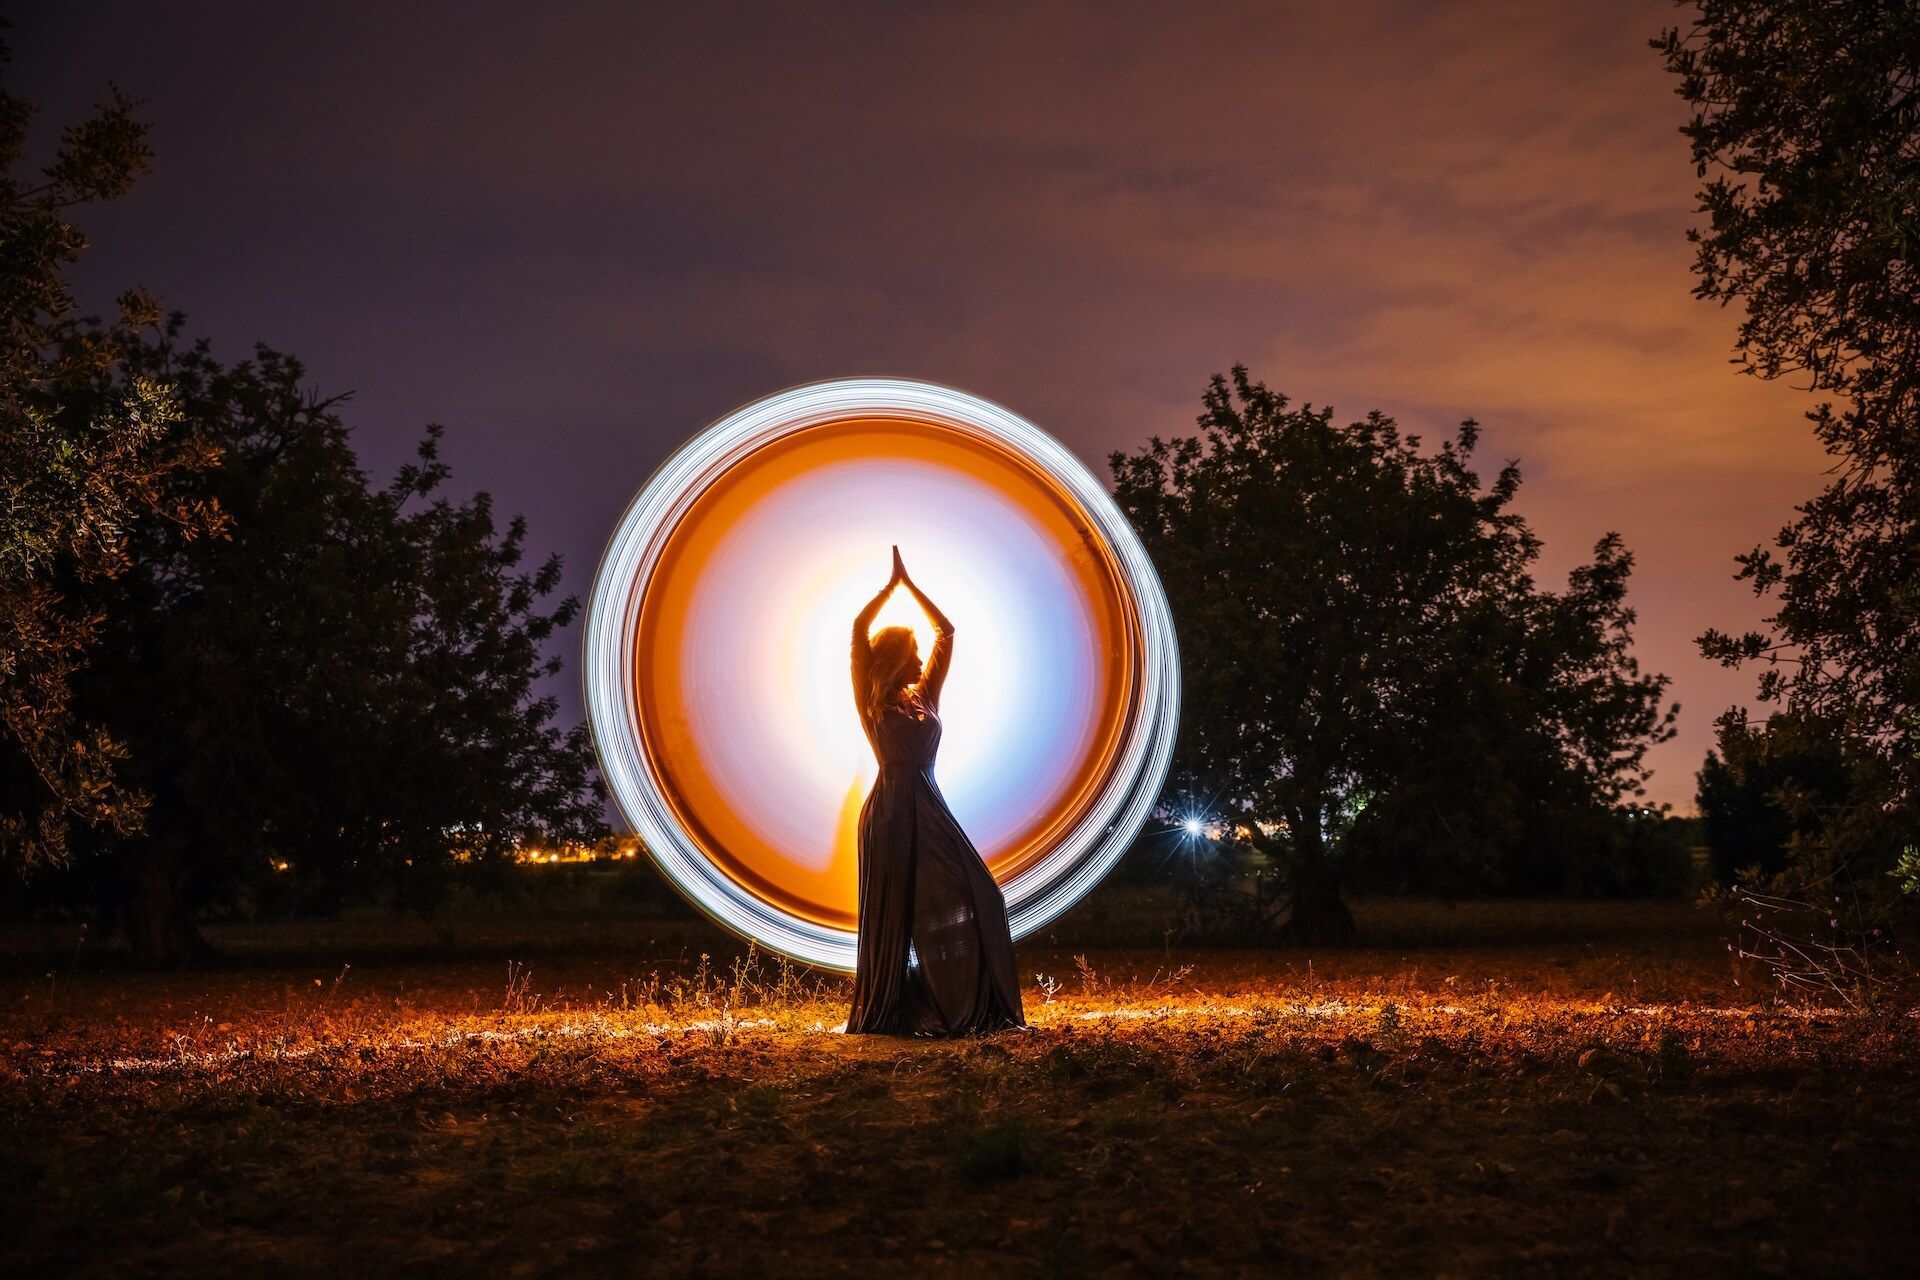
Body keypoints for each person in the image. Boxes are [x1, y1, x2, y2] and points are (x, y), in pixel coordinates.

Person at [844, 546, 1027, 1035]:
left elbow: (946, 632)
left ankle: (961, 1004)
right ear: (897, 659)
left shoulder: (925, 696)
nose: (923, 658)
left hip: (929, 803)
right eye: (914, 653)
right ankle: (904, 1009)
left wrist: (912, 587)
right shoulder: (871, 702)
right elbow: (859, 634)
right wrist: (888, 589)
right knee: (897, 914)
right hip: (889, 812)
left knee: (981, 895)